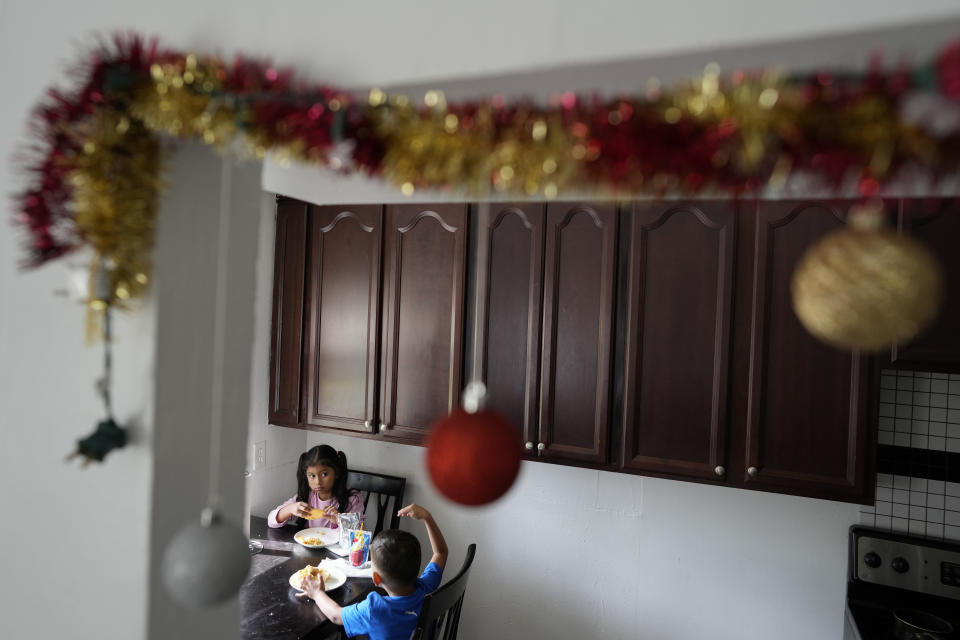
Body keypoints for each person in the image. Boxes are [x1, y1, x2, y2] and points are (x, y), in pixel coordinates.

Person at [297, 503, 448, 640]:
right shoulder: (426, 589)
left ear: (376, 579)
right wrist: (427, 517)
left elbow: (336, 616)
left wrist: (317, 593)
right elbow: (440, 553)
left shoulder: (374, 609)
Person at [268, 445, 364, 529]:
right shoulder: (307, 495)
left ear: (336, 473)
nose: (317, 482)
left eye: (324, 474)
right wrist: (290, 509)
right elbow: (271, 521)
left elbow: (359, 532)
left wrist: (340, 520)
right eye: (312, 476)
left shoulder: (353, 499)